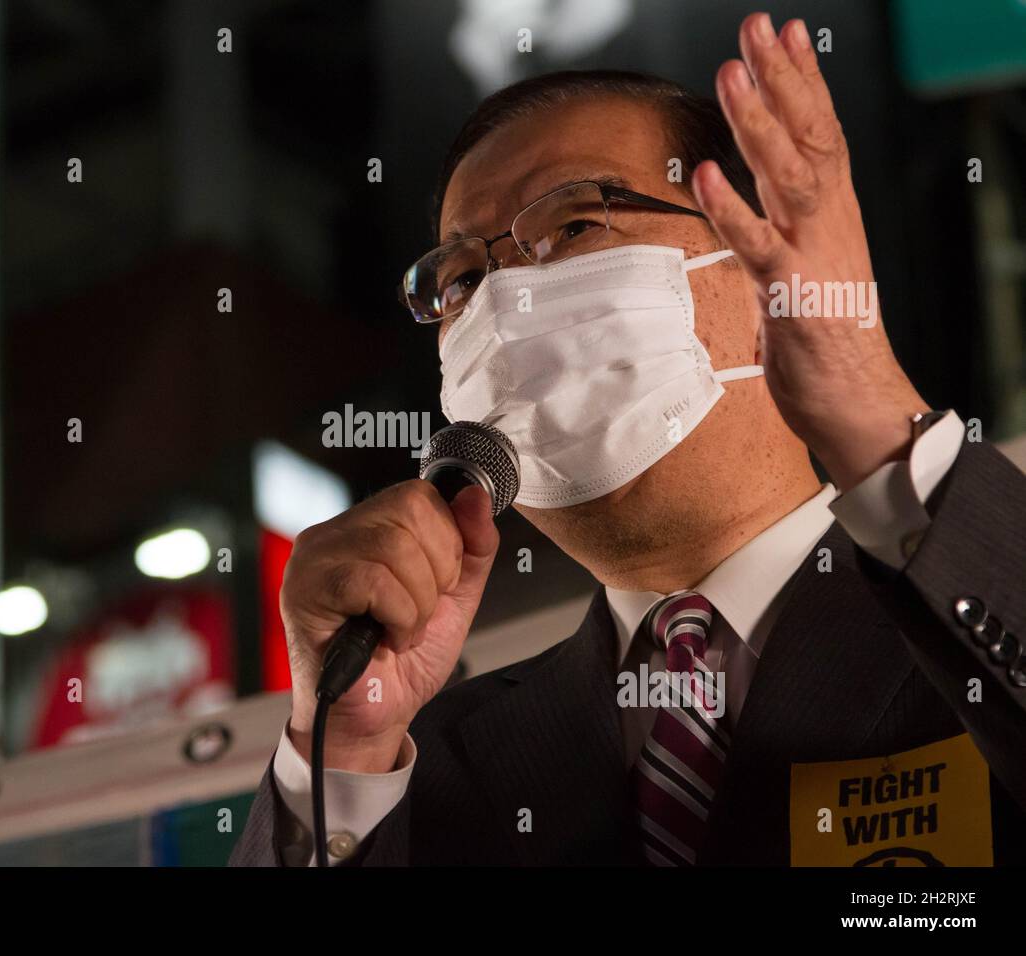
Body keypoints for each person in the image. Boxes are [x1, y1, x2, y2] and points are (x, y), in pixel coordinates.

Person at [230, 12, 1026, 866]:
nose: (508, 304)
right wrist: (341, 749)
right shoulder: (420, 770)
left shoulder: (972, 621)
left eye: (574, 226)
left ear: (763, 259)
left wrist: (877, 420)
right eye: (461, 279)